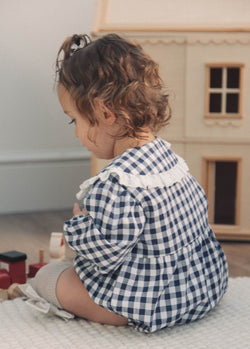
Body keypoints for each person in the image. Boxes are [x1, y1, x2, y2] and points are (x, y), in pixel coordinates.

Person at [30, 33, 228, 333]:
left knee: (49, 277)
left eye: (75, 121)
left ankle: (111, 307)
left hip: (148, 303)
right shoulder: (172, 162)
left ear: (105, 115)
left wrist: (81, 228)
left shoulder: (117, 185)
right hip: (200, 287)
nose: (75, 133)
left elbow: (107, 257)